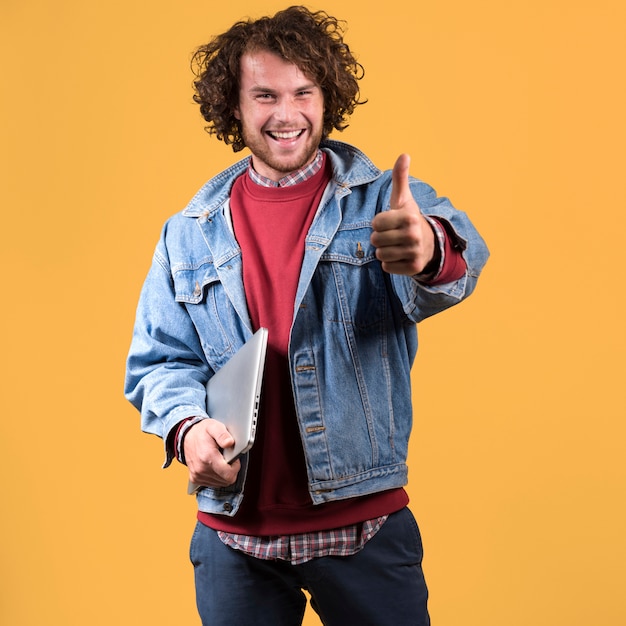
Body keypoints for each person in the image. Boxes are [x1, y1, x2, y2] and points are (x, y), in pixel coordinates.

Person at [124, 5, 489, 625]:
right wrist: (186, 429)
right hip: (234, 537)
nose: (286, 114)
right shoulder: (187, 232)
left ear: (327, 98)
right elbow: (159, 362)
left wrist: (426, 248)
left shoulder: (379, 199)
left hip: (364, 524)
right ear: (233, 106)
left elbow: (459, 260)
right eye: (264, 94)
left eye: (302, 92)